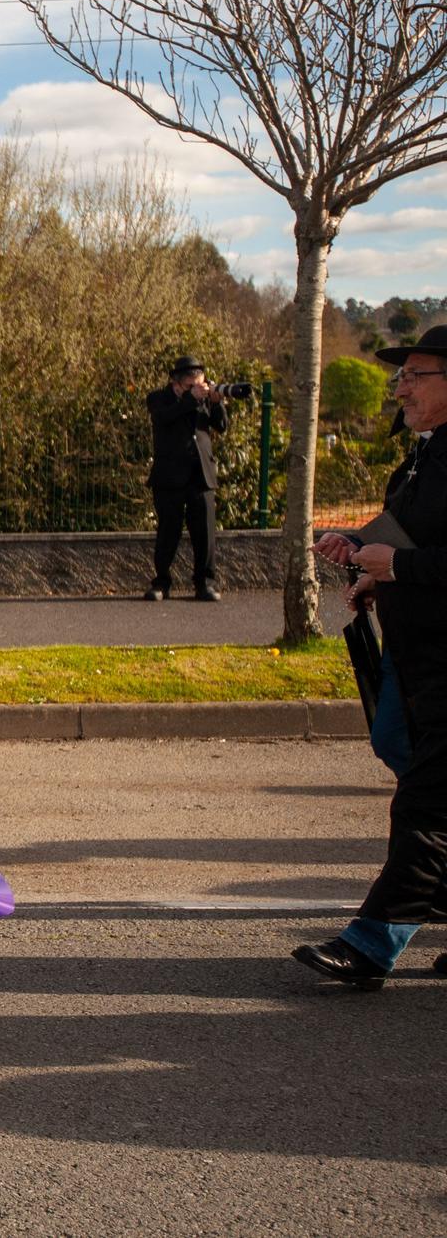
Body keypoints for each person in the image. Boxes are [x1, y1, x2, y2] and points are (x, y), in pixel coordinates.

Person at [295, 329, 447, 988]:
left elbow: (419, 552)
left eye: (415, 375)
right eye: (400, 376)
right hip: (417, 656)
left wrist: (401, 565)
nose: (401, 387)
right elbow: (408, 529)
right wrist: (362, 552)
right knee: (412, 767)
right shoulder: (425, 455)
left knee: (425, 804)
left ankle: (370, 945)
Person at [145, 354, 230, 601]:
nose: (198, 389)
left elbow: (221, 426)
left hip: (201, 475)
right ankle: (161, 582)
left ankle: (205, 583)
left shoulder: (204, 400)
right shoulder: (159, 399)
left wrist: (216, 403)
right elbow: (163, 418)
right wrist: (190, 400)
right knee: (168, 531)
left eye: (200, 384)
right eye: (192, 385)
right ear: (177, 383)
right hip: (169, 477)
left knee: (204, 532)